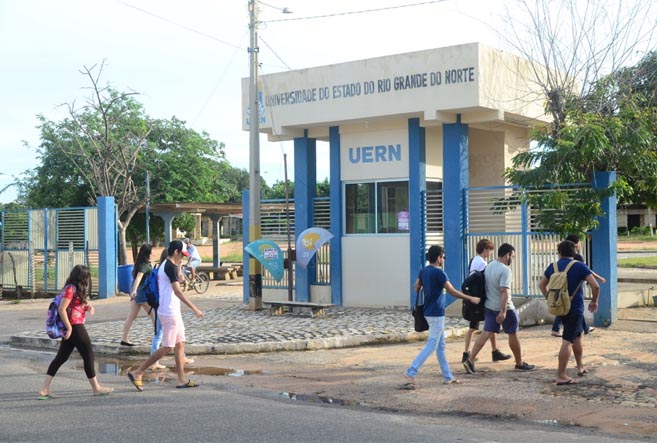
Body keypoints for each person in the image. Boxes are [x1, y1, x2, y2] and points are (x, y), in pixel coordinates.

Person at [400, 245, 481, 390]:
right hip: (436, 313)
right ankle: (410, 372)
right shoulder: (439, 273)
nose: (443, 259)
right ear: (438, 258)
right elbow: (452, 291)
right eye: (443, 257)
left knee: (440, 346)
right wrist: (470, 298)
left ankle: (448, 376)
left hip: (428, 311)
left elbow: (416, 286)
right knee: (432, 345)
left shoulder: (424, 271)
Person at [128, 240, 204, 391]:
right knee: (168, 347)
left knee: (180, 344)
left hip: (173, 310)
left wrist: (179, 266)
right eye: (181, 254)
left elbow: (180, 280)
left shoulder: (170, 265)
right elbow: (177, 291)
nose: (183, 257)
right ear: (176, 252)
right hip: (169, 311)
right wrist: (194, 308)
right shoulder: (168, 266)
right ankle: (139, 372)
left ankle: (181, 379)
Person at [38, 265, 113, 399]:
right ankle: (96, 388)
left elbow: (75, 306)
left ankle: (44, 389)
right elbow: (62, 309)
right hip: (75, 326)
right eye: (87, 276)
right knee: (88, 354)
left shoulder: (75, 289)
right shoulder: (71, 289)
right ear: (82, 277)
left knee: (61, 357)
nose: (88, 279)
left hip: (74, 325)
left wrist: (87, 307)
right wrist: (69, 327)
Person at [463, 243, 535, 374]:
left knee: (486, 333)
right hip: (505, 308)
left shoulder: (489, 266)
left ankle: (470, 360)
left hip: (489, 306)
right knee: (513, 334)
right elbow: (504, 291)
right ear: (507, 255)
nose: (512, 259)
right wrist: (503, 311)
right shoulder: (505, 270)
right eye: (512, 256)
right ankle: (519, 363)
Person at [539, 240, 600, 385]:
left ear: (559, 252)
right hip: (575, 308)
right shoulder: (579, 266)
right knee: (567, 341)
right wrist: (594, 301)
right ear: (574, 252)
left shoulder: (553, 266)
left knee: (577, 336)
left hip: (560, 308)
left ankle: (580, 366)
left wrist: (550, 298)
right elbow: (595, 286)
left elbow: (541, 285)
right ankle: (561, 376)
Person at [462, 239, 511, 364]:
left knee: (484, 325)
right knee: (482, 326)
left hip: (474, 297)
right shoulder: (482, 263)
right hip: (479, 298)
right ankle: (469, 354)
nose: (491, 252)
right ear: (485, 249)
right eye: (490, 250)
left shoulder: (474, 260)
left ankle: (493, 351)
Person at [550, 234, 605, 337]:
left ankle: (582, 328)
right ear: (575, 244)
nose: (580, 244)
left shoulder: (559, 261)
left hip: (561, 287)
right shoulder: (578, 257)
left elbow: (542, 283)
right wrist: (599, 278)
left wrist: (548, 296)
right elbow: (587, 271)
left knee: (563, 306)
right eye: (579, 242)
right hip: (575, 288)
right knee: (573, 308)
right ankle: (559, 328)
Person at [121, 244, 154, 347]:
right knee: (154, 315)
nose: (153, 254)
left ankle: (124, 339)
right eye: (151, 252)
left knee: (132, 316)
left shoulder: (141, 263)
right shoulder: (144, 265)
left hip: (137, 292)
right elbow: (139, 277)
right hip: (141, 293)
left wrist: (134, 290)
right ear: (148, 253)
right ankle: (157, 338)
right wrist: (134, 290)